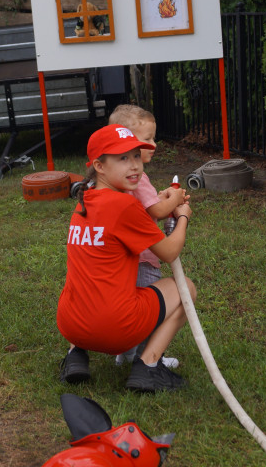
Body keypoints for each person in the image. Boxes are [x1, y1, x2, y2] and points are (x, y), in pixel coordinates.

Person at [57, 124, 195, 392]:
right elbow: (169, 252)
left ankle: (76, 355)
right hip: (113, 330)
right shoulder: (125, 205)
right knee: (186, 288)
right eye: (122, 158)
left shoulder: (83, 201)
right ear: (99, 165)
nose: (134, 166)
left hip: (71, 323)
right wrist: (183, 218)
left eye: (135, 156)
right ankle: (148, 367)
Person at [106, 104, 188, 368]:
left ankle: (125, 353)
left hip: (126, 257)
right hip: (143, 256)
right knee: (147, 309)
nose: (154, 144)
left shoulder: (120, 177)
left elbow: (148, 205)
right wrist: (175, 200)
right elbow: (158, 210)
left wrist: (161, 199)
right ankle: (147, 357)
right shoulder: (138, 178)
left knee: (130, 304)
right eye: (147, 139)